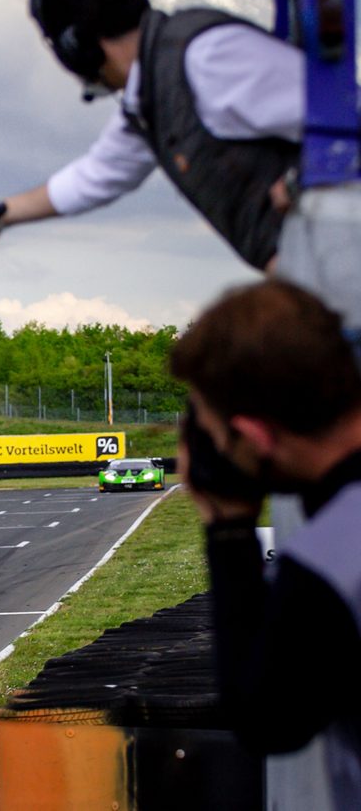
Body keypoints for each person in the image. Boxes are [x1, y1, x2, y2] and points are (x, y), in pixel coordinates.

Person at [0, 0, 303, 275]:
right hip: (312, 272)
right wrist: (0, 214)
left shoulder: (205, 57)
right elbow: (94, 177)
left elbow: (344, 117)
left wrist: (300, 179)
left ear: (76, 46)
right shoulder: (149, 97)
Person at [170, 279, 361, 808]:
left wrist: (229, 528)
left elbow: (267, 721)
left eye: (220, 438)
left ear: (254, 438)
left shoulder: (332, 563)